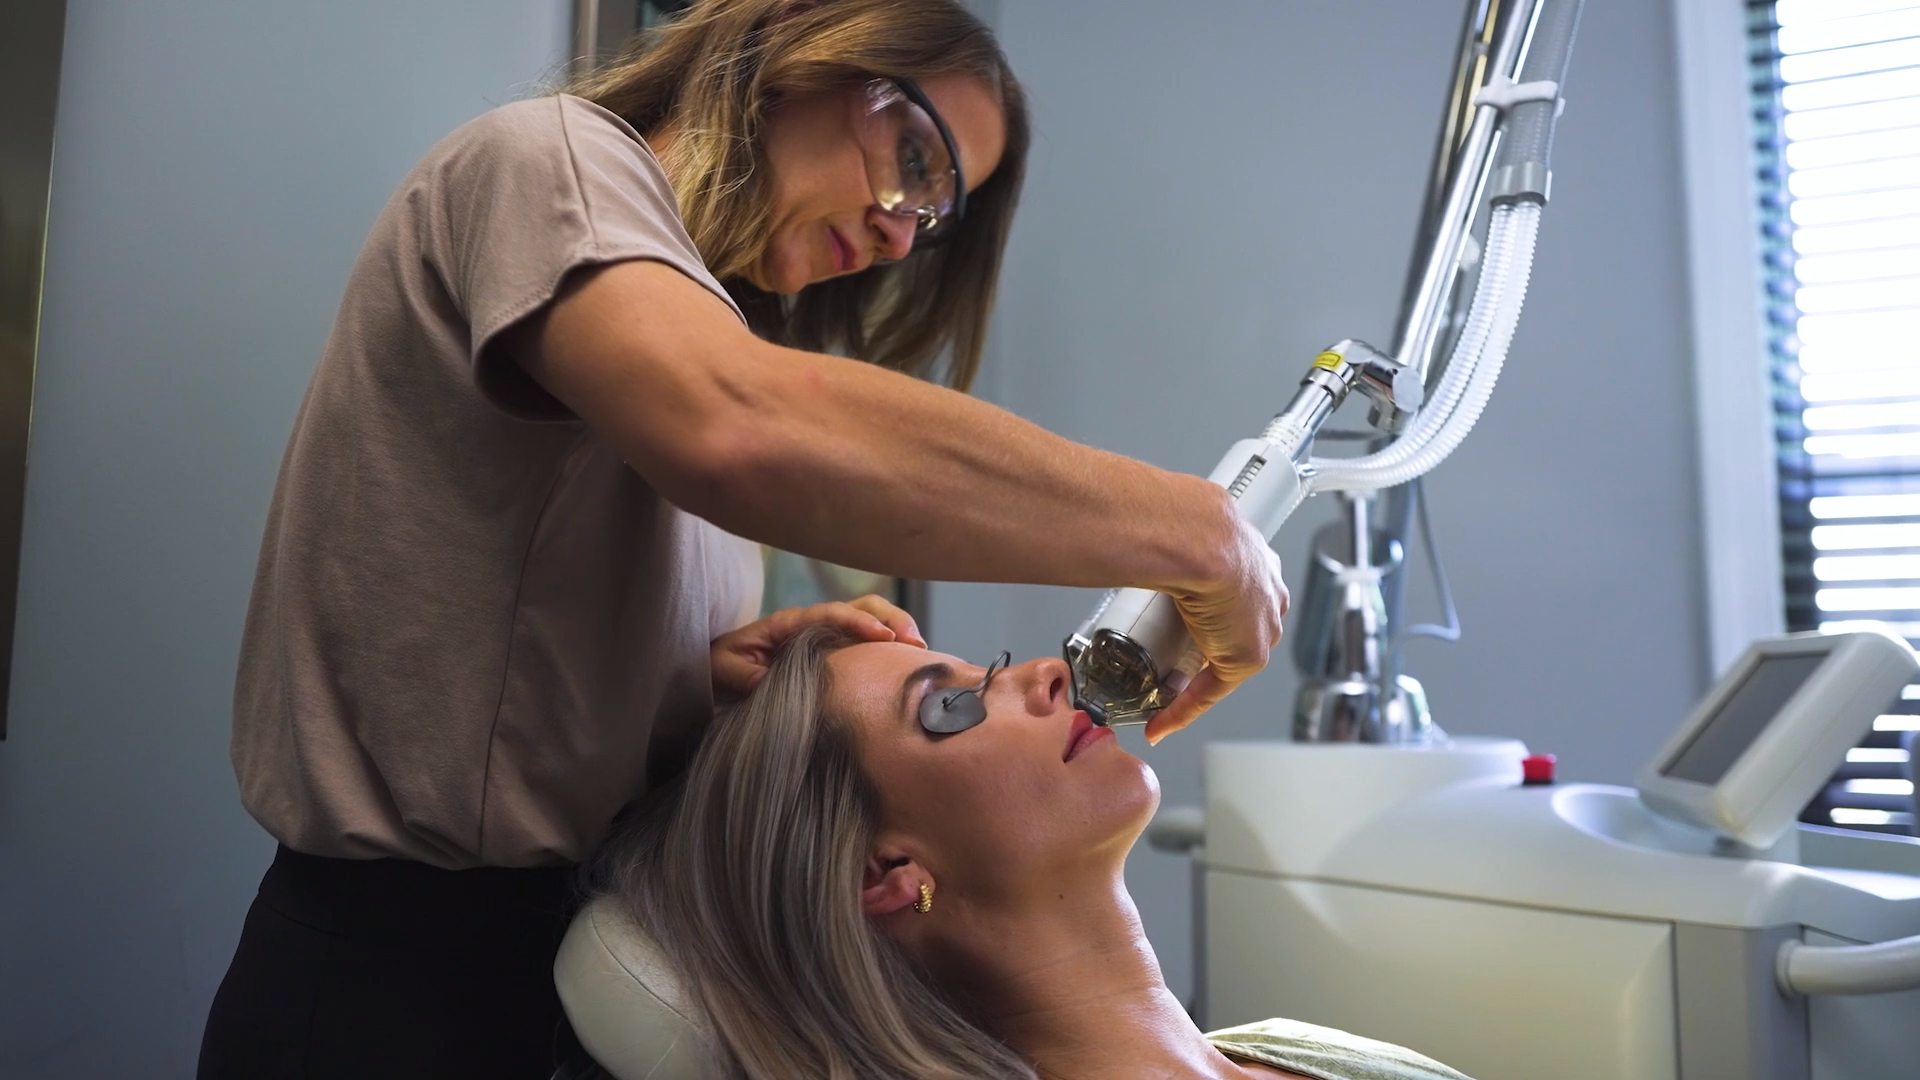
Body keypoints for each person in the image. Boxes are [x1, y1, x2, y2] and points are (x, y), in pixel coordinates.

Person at [199, 1, 1287, 1077]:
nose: (903, 232)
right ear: (799, 48)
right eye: (915, 157)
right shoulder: (552, 160)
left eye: (938, 213)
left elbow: (503, 620)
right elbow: (732, 427)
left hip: (543, 968)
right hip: (396, 986)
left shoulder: (704, 320)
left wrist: (687, 682)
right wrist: (1188, 530)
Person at [589, 625, 1475, 1080]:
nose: (1050, 672)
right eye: (952, 706)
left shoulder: (1298, 1044)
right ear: (884, 874)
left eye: (988, 671)